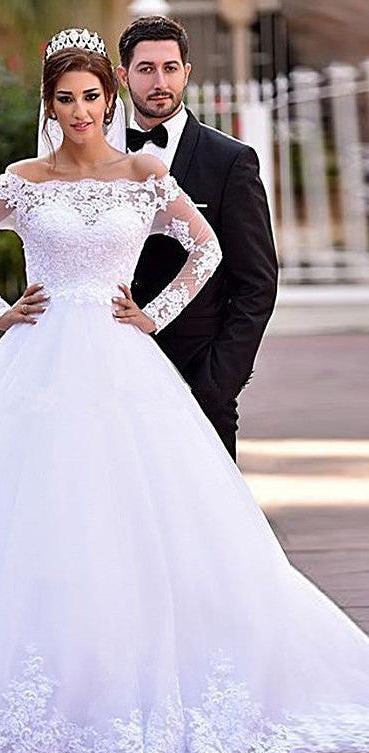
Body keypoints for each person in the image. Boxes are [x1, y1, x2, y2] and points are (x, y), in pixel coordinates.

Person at [0, 28, 368, 753]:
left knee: (143, 512)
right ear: (50, 104)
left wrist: (154, 314)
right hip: (38, 362)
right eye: (66, 98)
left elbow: (209, 250)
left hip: (124, 362)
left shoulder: (145, 172)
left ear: (108, 98)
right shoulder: (25, 178)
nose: (80, 110)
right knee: (29, 512)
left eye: (91, 96)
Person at [117, 16, 279, 461]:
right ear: (123, 75)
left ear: (186, 72)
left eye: (170, 68)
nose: (160, 81)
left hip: (198, 379)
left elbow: (257, 282)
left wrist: (219, 381)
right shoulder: (99, 159)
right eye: (146, 69)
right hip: (115, 377)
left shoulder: (231, 161)